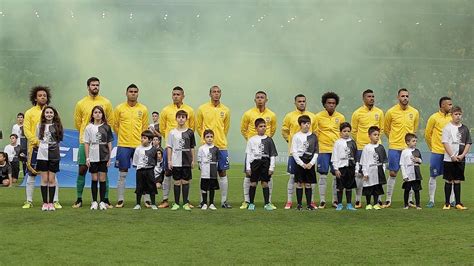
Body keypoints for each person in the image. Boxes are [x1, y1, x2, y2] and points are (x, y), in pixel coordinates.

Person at [73, 77, 114, 208]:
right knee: (82, 169)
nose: (95, 87)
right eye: (93, 85)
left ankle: (105, 199)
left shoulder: (106, 102)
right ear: (88, 87)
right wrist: (87, 136)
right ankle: (79, 199)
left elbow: (110, 121)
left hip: (101, 144)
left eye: (97, 85)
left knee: (103, 171)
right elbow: (78, 123)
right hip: (84, 141)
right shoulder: (81, 103)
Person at [22, 86, 61, 209]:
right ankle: (29, 200)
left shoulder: (51, 111)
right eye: (40, 95)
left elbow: (58, 130)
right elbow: (26, 129)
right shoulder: (29, 112)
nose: (42, 97)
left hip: (50, 148)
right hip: (34, 147)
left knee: (52, 176)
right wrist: (36, 142)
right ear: (35, 97)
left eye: (44, 95)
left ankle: (55, 201)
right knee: (32, 174)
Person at [158, 86, 195, 208]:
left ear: (183, 96)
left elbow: (192, 128)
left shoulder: (189, 110)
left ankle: (186, 201)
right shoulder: (165, 110)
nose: (176, 96)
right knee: (168, 174)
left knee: (185, 178)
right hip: (171, 149)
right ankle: (165, 200)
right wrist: (171, 141)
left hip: (184, 152)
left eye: (178, 94)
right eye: (174, 94)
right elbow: (163, 129)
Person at [239, 91, 277, 210]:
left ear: (266, 100)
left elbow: (273, 129)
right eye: (258, 97)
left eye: (262, 97)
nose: (260, 99)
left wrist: (266, 141)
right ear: (254, 100)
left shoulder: (271, 115)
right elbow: (243, 129)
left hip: (265, 152)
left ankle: (268, 201)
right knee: (248, 176)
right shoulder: (248, 114)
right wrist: (252, 141)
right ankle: (247, 201)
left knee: (267, 178)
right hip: (253, 152)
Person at [113, 84, 149, 208]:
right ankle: (120, 199)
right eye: (130, 91)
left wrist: (141, 142)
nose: (133, 93)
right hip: (123, 145)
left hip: (139, 146)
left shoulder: (143, 109)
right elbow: (115, 126)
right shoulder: (119, 108)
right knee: (122, 172)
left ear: (138, 93)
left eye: (135, 91)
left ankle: (147, 199)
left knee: (144, 172)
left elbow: (144, 127)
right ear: (126, 93)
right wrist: (123, 137)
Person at [196, 85, 232, 208]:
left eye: (218, 92)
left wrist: (219, 138)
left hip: (221, 146)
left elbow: (225, 128)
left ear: (220, 94)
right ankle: (203, 201)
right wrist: (206, 140)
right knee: (205, 174)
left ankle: (223, 201)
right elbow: (199, 127)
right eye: (214, 92)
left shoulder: (226, 110)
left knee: (222, 172)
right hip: (206, 148)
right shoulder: (202, 109)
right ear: (210, 94)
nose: (216, 94)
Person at [383, 88, 419, 208]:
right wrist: (394, 140)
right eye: (402, 96)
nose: (405, 98)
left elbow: (414, 129)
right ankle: (388, 199)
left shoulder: (414, 112)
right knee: (393, 173)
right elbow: (386, 129)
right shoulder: (391, 112)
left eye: (407, 96)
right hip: (394, 147)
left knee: (410, 173)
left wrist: (410, 144)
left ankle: (409, 200)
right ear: (398, 97)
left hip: (408, 149)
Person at [281, 94, 317, 209]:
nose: (302, 103)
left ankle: (310, 202)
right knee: (293, 177)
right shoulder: (289, 116)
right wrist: (289, 141)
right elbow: (284, 131)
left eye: (303, 101)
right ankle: (290, 201)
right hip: (295, 154)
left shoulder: (312, 116)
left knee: (309, 180)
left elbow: (315, 131)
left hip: (309, 155)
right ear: (295, 103)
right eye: (299, 101)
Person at [351, 89, 384, 208]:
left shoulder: (379, 112)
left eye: (373, 96)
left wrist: (375, 141)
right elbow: (354, 131)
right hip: (361, 147)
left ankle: (378, 199)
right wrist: (363, 142)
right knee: (360, 174)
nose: (372, 98)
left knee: (378, 172)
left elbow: (382, 129)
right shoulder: (357, 113)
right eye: (369, 96)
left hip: (376, 147)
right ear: (364, 98)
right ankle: (358, 199)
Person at [314, 92, 345, 208]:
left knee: (337, 175)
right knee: (322, 174)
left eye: (333, 103)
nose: (331, 105)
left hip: (336, 151)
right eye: (329, 103)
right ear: (324, 104)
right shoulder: (318, 117)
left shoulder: (340, 117)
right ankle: (322, 200)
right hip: (322, 149)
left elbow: (343, 133)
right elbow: (315, 132)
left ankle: (335, 200)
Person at [83, 106, 114, 211]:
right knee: (94, 179)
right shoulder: (88, 127)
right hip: (92, 157)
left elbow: (110, 143)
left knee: (102, 179)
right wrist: (87, 158)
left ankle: (102, 202)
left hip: (104, 156)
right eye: (95, 112)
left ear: (102, 114)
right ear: (92, 114)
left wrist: (110, 158)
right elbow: (86, 143)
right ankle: (94, 202)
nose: (97, 114)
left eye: (99, 112)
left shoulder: (107, 127)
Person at [424, 96, 453, 208]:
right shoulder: (434, 118)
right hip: (437, 152)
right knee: (433, 175)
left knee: (450, 177)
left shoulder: (452, 118)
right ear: (442, 105)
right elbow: (427, 134)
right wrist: (433, 148)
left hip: (449, 153)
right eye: (449, 104)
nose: (451, 106)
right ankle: (431, 200)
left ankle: (452, 200)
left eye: (451, 104)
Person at [441, 106, 471, 210]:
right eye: (456, 114)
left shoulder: (465, 128)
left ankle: (458, 203)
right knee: (449, 180)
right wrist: (452, 156)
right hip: (449, 159)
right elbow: (445, 143)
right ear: (451, 115)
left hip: (460, 159)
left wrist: (462, 155)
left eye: (459, 114)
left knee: (457, 180)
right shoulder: (447, 128)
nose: (458, 116)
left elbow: (468, 143)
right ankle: (447, 203)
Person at [245, 119, 278, 211]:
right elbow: (248, 154)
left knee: (265, 183)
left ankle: (267, 203)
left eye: (264, 126)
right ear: (256, 128)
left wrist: (271, 167)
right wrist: (248, 167)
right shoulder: (251, 140)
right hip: (255, 163)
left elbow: (272, 155)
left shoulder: (269, 140)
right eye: (260, 126)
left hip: (265, 163)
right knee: (253, 183)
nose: (263, 128)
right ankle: (251, 203)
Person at [167, 110, 196, 211]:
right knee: (177, 182)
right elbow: (169, 147)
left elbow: (192, 147)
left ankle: (185, 203)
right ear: (176, 119)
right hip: (175, 161)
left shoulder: (190, 132)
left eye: (183, 117)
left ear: (186, 119)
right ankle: (176, 203)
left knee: (185, 181)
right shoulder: (172, 132)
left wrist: (193, 160)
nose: (181, 119)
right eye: (179, 117)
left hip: (187, 161)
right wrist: (169, 161)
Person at [36, 106, 64, 211]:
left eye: (51, 112)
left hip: (54, 155)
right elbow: (38, 138)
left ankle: (51, 203)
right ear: (44, 114)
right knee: (44, 179)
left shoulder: (57, 126)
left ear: (54, 114)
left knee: (51, 179)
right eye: (47, 112)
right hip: (42, 155)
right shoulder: (39, 125)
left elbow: (59, 140)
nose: (49, 114)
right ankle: (45, 203)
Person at [291, 115, 318, 211]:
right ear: (300, 125)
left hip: (310, 162)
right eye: (304, 123)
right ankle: (299, 204)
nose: (306, 125)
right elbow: (294, 151)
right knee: (299, 183)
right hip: (300, 162)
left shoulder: (313, 136)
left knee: (308, 184)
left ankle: (309, 204)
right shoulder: (296, 136)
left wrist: (311, 163)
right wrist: (302, 164)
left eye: (308, 123)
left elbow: (316, 151)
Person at [331, 122, 358, 211]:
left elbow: (356, 156)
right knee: (340, 187)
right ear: (340, 132)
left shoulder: (353, 142)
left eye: (348, 131)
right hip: (341, 168)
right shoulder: (337, 143)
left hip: (350, 167)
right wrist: (336, 169)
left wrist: (356, 169)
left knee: (349, 186)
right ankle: (339, 204)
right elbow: (334, 156)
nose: (346, 133)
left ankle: (349, 204)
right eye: (344, 131)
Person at [360, 126, 387, 210]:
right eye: (375, 134)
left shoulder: (381, 147)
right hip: (369, 171)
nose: (377, 136)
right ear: (369, 136)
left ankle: (375, 203)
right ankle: (368, 203)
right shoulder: (366, 148)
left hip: (378, 172)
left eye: (378, 135)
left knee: (377, 188)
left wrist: (383, 170)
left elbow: (383, 161)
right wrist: (365, 173)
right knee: (369, 187)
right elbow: (364, 162)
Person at [132, 130, 159, 210]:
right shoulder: (138, 149)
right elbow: (135, 160)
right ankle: (138, 204)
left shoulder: (153, 149)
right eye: (142, 138)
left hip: (150, 171)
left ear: (150, 140)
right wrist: (139, 167)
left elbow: (155, 160)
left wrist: (151, 168)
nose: (142, 139)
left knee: (152, 187)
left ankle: (153, 203)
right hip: (140, 171)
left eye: (145, 138)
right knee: (139, 187)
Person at [197, 129, 220, 210]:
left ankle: (211, 203)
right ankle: (204, 203)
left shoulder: (216, 149)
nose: (209, 138)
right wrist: (202, 168)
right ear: (204, 138)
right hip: (205, 173)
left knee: (212, 188)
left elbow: (217, 160)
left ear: (213, 138)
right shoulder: (201, 148)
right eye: (207, 137)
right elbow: (199, 160)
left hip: (213, 173)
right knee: (204, 188)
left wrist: (215, 169)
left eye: (211, 137)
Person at [400, 133, 423, 209]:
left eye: (416, 141)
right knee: (407, 189)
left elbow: (421, 161)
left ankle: (418, 205)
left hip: (416, 173)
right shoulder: (404, 152)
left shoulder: (417, 151)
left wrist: (418, 160)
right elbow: (402, 164)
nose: (415, 142)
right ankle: (406, 204)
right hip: (408, 173)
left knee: (417, 190)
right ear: (407, 142)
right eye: (413, 141)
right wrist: (404, 175)